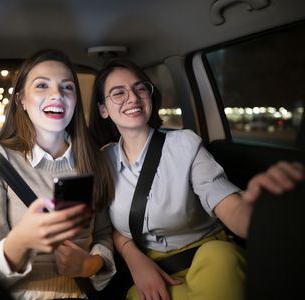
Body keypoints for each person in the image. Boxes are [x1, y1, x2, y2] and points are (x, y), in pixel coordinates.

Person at [89, 58, 304, 300]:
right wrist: (134, 259)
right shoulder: (101, 162)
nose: (133, 97)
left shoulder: (184, 145)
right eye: (118, 93)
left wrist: (264, 212)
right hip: (151, 273)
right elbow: (107, 227)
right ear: (103, 110)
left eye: (140, 88)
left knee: (222, 262)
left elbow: (227, 204)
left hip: (210, 257)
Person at [0, 49, 116, 300]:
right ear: (21, 101)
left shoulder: (94, 159)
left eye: (67, 87)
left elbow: (103, 235)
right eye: (42, 86)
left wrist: (89, 265)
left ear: (75, 101)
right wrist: (21, 240)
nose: (57, 95)